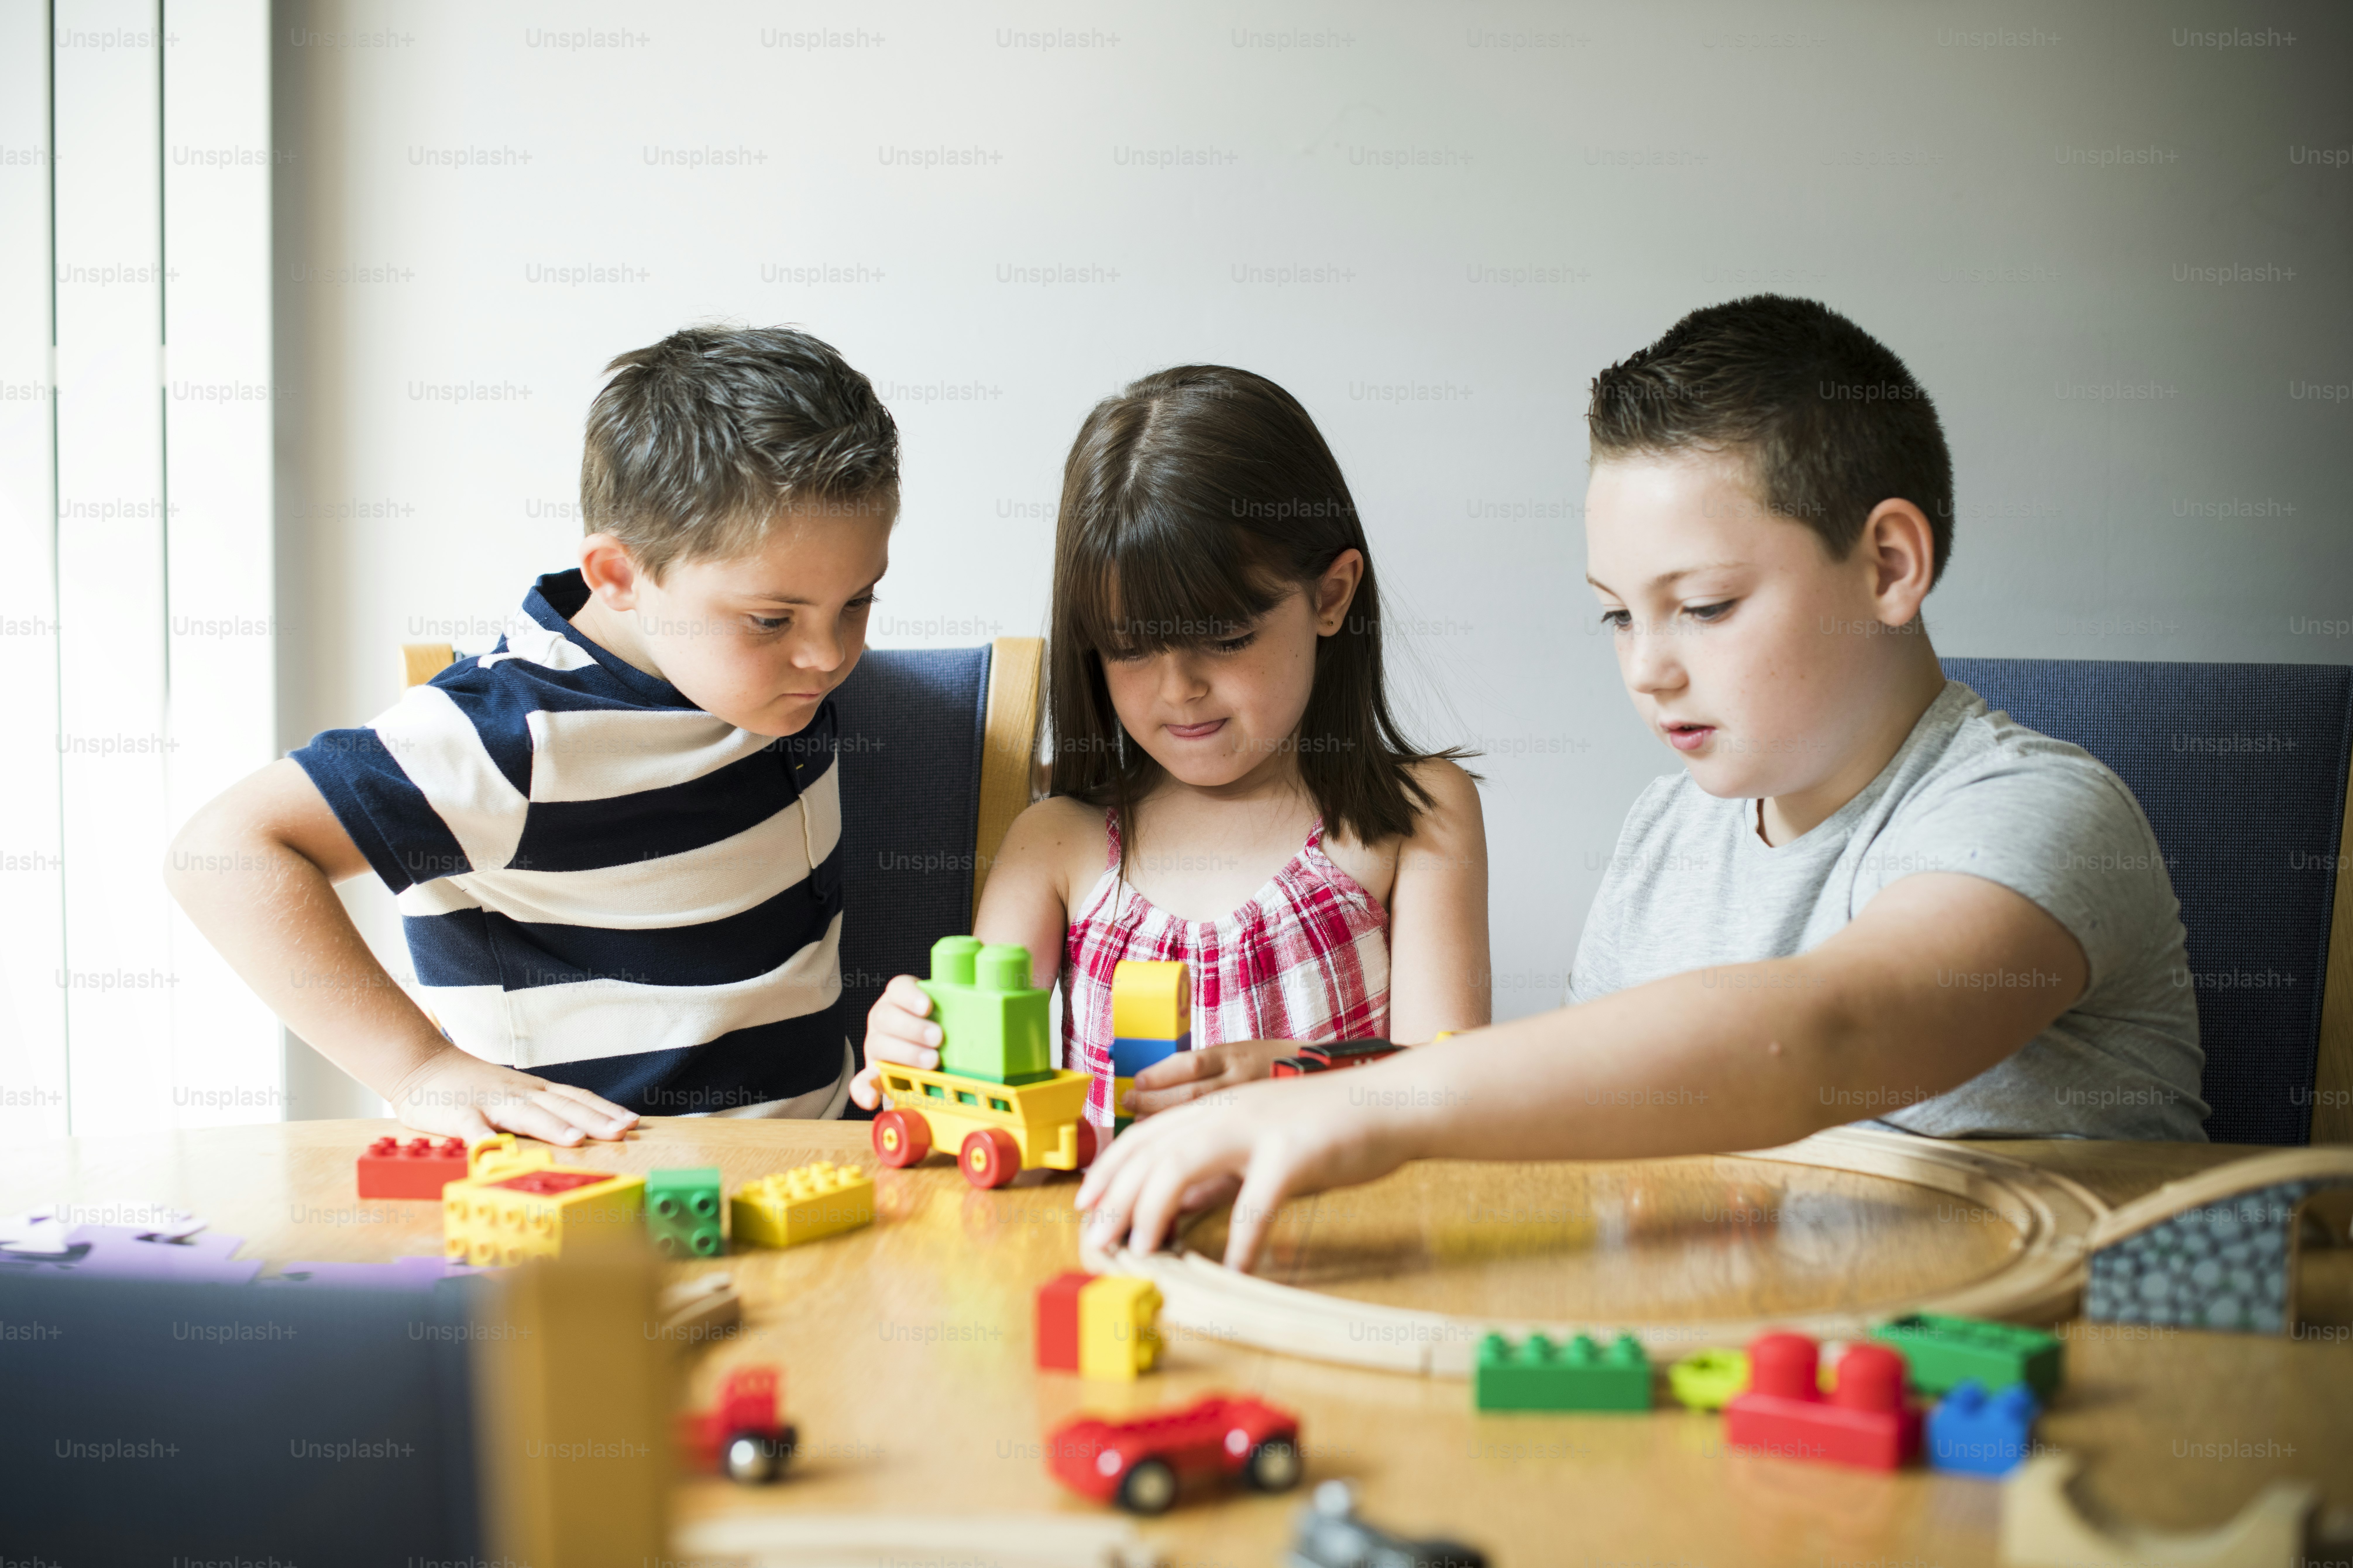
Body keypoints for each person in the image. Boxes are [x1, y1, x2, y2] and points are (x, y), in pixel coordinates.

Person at [1076, 297, 2207, 1269]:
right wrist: (1322, 1078)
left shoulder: (2041, 814)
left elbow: (1827, 1034)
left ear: (1889, 565)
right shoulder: (1665, 834)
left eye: (1705, 606)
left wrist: (1370, 1107)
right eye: (1618, 614)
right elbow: (1603, 1139)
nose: (1646, 668)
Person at [166, 325, 898, 1143]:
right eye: (771, 618)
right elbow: (226, 850)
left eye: (859, 601)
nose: (829, 655)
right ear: (619, 576)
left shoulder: (763, 679)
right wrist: (417, 1068)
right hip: (596, 1190)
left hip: (822, 1157)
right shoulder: (508, 732)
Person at [852, 365, 1490, 1127]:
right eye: (1129, 647)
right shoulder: (1058, 844)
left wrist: (1298, 1073)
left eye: (1223, 639)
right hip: (1103, 1240)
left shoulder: (1413, 815)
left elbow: (1452, 1094)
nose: (1178, 688)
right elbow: (980, 1096)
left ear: (1330, 597)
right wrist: (912, 1046)